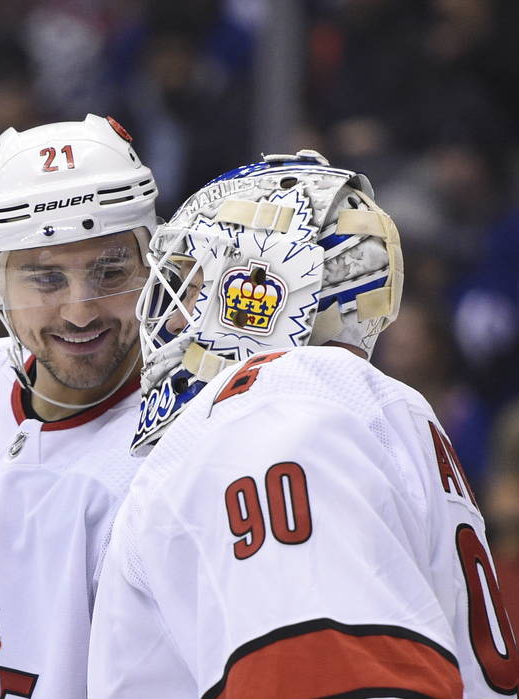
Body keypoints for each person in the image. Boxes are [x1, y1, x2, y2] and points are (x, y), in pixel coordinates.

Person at [87, 150, 519, 697]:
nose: (171, 316)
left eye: (195, 284)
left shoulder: (273, 415)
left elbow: (331, 679)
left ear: (268, 282)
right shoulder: (367, 410)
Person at [0, 114, 157, 697]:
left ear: (155, 265)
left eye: (110, 271)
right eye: (45, 280)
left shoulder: (190, 437)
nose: (80, 312)